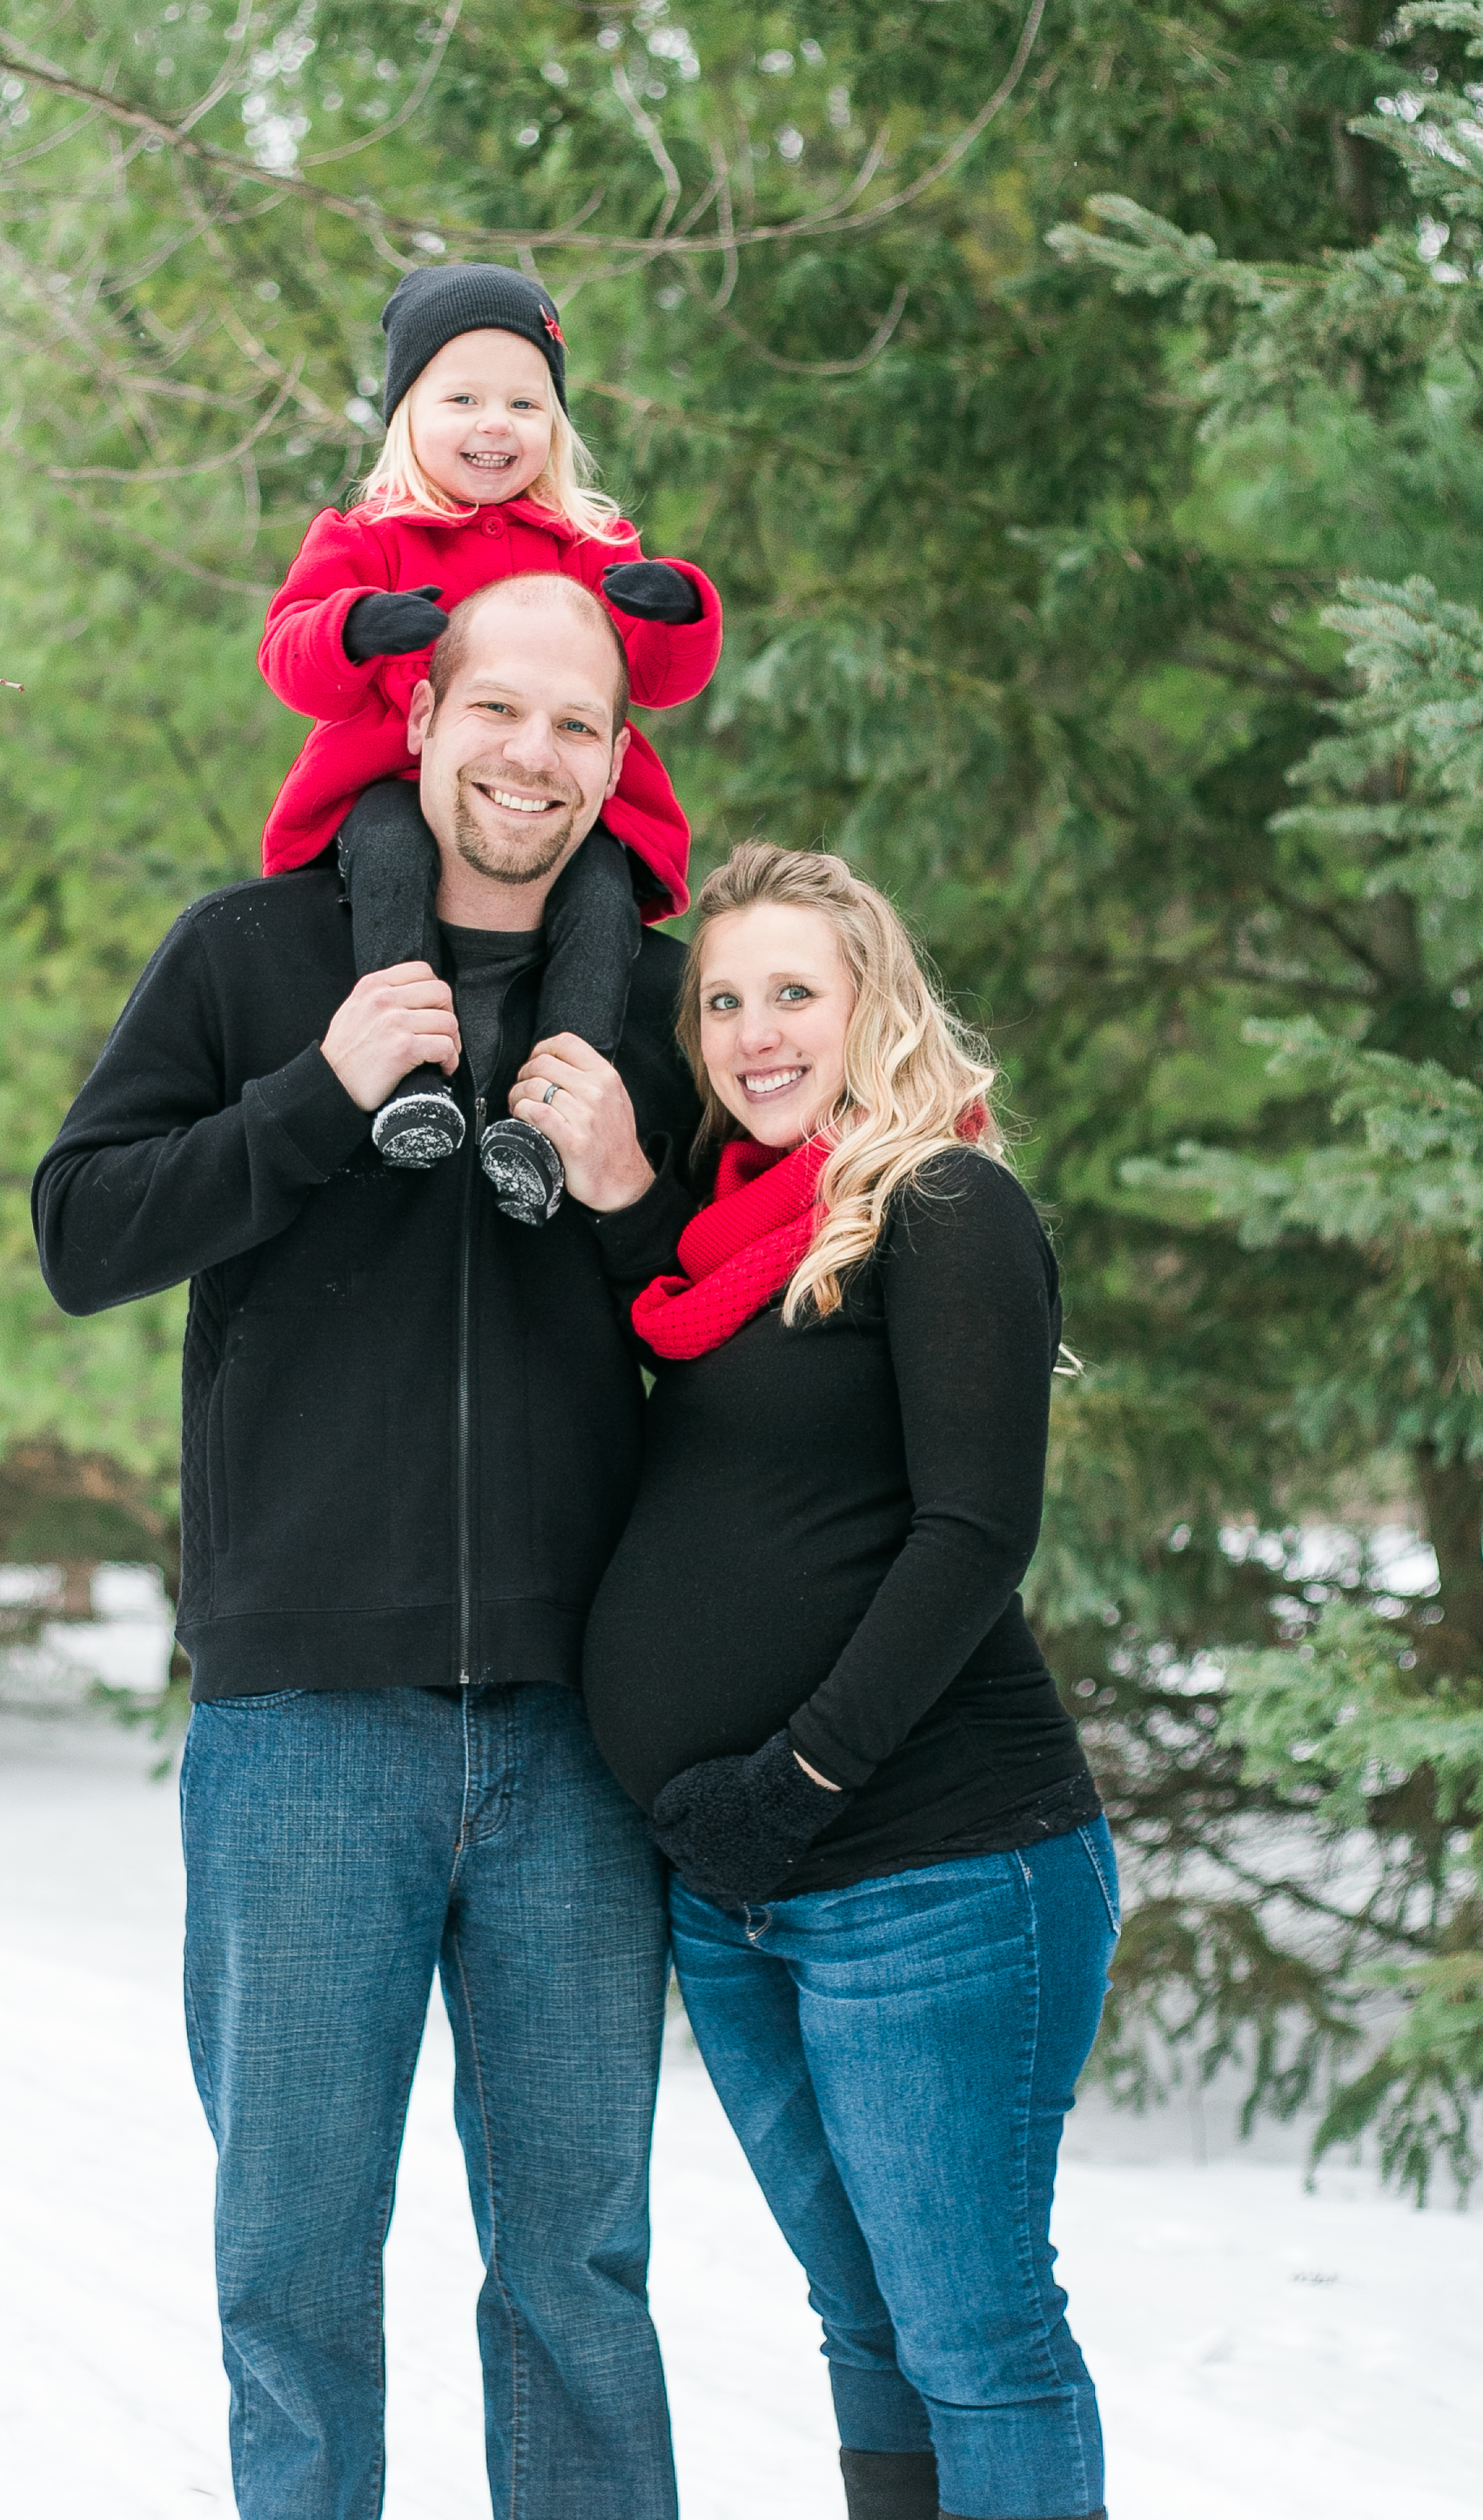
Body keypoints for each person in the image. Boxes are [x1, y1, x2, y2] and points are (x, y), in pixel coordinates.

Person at [32, 572, 705, 2520]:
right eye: (500, 709)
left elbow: (731, 1331)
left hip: (582, 1732)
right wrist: (315, 1095)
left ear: (614, 754)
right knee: (296, 2270)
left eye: (578, 725)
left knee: (578, 2277)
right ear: (418, 719)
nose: (534, 756)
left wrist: (622, 1191)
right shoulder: (249, 958)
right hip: (306, 1722)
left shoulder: (658, 1007)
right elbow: (83, 1228)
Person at [580, 841, 1117, 2520]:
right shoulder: (725, 1243)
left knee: (974, 2334)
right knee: (867, 2325)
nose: (752, 1030)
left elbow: (971, 1539)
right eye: (722, 999)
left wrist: (791, 1786)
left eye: (792, 991)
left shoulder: (944, 1205)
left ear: (870, 1000)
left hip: (933, 1868)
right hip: (743, 1887)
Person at [258, 261, 721, 1222]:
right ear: (405, 415)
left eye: (524, 401)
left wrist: (676, 609)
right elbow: (288, 655)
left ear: (554, 423)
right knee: (389, 850)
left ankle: (549, 1117)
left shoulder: (588, 542)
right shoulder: (368, 535)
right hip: (387, 783)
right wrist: (351, 626)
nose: (494, 423)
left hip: (541, 807)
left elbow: (662, 680)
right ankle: (413, 1078)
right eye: (460, 397)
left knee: (600, 895)